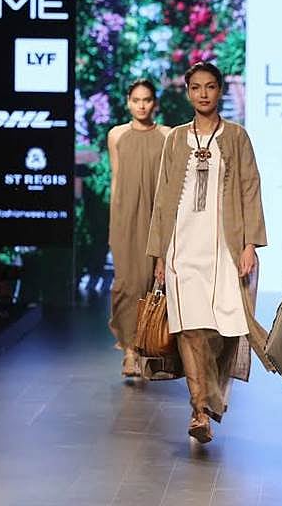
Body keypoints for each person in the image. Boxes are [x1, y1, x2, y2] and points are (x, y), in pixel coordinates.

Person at [147, 62, 273, 443]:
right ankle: (200, 409)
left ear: (220, 91)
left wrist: (249, 243)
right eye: (196, 87)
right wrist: (159, 254)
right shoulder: (175, 139)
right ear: (188, 92)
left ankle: (210, 397)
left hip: (224, 248)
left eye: (210, 87)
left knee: (225, 328)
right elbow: (162, 197)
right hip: (181, 247)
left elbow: (250, 188)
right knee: (189, 328)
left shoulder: (236, 137)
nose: (203, 94)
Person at [107, 79, 170, 377]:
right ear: (128, 102)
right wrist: (114, 223)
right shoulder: (117, 135)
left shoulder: (167, 136)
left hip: (155, 217)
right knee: (125, 283)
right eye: (136, 100)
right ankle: (129, 350)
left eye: (146, 100)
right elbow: (116, 179)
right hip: (124, 218)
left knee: (149, 282)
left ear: (154, 103)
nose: (141, 105)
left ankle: (144, 350)